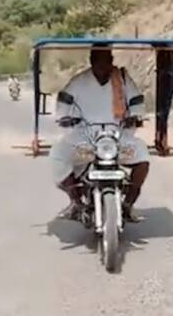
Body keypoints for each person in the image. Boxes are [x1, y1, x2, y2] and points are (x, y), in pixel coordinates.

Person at [50, 44, 150, 222]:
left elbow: (136, 101)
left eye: (107, 61)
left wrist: (135, 116)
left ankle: (128, 204)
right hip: (85, 138)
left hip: (118, 136)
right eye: (99, 61)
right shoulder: (79, 82)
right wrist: (65, 117)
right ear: (92, 61)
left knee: (142, 156)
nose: (104, 66)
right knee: (58, 154)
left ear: (112, 60)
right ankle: (75, 201)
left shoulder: (122, 79)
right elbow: (64, 103)